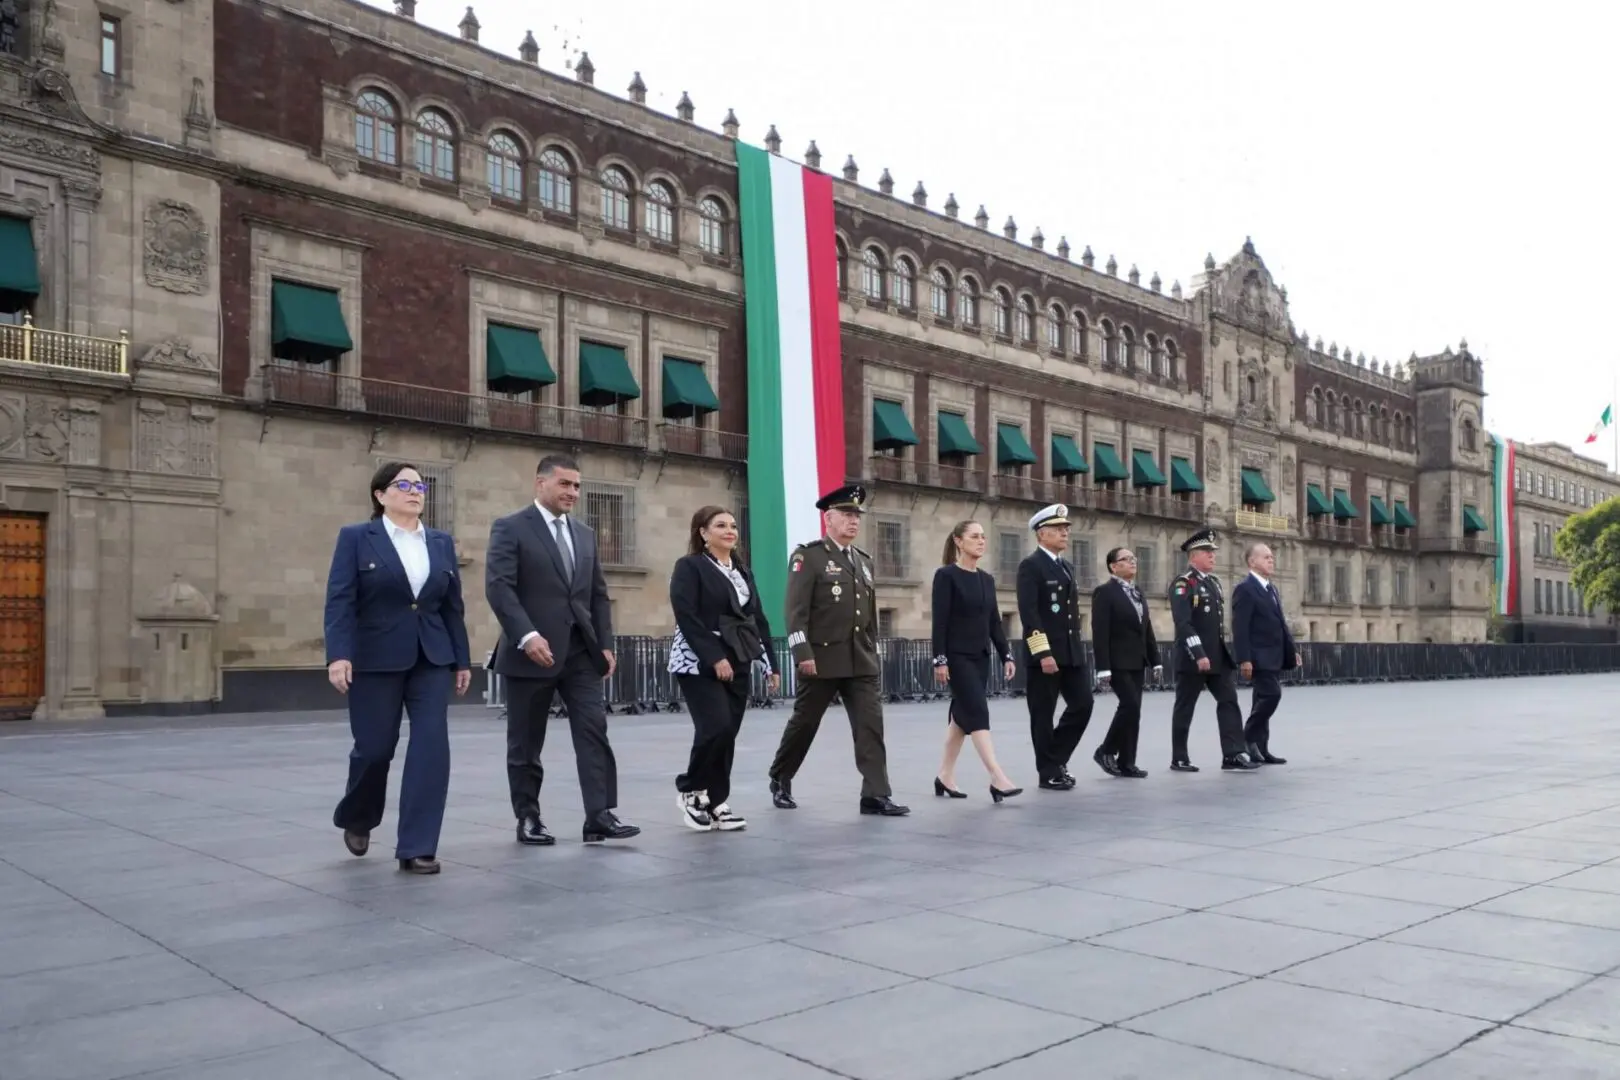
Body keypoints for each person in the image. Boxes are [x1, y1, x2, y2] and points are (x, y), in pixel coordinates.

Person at [324, 462, 471, 875]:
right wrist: (338, 654)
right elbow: (340, 600)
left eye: (419, 485)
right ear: (380, 495)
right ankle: (359, 814)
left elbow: (451, 606)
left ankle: (417, 846)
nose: (414, 491)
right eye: (403, 485)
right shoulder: (356, 538)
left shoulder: (440, 543)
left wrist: (461, 658)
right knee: (374, 749)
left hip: (431, 658)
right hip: (374, 658)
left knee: (431, 749)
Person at [485, 454, 640, 845]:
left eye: (576, 485)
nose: (572, 492)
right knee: (525, 742)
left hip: (579, 655)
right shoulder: (510, 528)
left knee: (594, 731)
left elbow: (598, 595)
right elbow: (499, 588)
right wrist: (526, 635)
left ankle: (599, 815)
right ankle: (529, 817)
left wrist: (605, 643)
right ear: (541, 483)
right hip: (529, 654)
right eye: (565, 484)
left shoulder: (585, 535)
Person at [767, 483, 909, 816]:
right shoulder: (810, 557)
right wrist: (803, 656)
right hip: (821, 659)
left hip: (860, 658)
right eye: (846, 514)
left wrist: (873, 651)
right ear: (828, 518)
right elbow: (795, 612)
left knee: (870, 726)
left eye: (857, 515)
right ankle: (780, 777)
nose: (853, 521)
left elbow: (869, 614)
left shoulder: (864, 561)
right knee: (805, 723)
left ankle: (875, 794)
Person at [668, 505, 780, 831]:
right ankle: (691, 789)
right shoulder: (689, 567)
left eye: (733, 526)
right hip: (697, 660)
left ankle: (716, 800)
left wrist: (769, 662)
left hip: (739, 657)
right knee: (714, 726)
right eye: (720, 525)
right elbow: (686, 615)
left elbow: (756, 618)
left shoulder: (743, 572)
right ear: (703, 533)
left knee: (728, 732)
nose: (730, 531)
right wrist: (714, 657)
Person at [930, 521, 1021, 802]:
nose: (981, 541)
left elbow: (994, 622)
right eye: (974, 536)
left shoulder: (986, 579)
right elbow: (940, 622)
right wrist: (940, 661)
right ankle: (997, 777)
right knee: (979, 713)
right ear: (958, 541)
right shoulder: (946, 576)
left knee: (960, 718)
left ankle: (944, 776)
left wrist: (1006, 653)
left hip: (980, 657)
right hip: (957, 659)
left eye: (983, 537)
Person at [1166, 527, 1259, 772]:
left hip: (1217, 657)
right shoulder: (1183, 584)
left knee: (1229, 700)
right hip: (1193, 658)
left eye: (1213, 552)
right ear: (1193, 555)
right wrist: (1198, 654)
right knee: (1185, 706)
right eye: (1207, 552)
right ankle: (1179, 757)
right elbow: (1183, 623)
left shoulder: (1214, 583)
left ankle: (1233, 753)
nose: (1212, 556)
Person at [1016, 504, 1094, 791]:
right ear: (1041, 533)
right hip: (1046, 655)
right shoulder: (1031, 565)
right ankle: (1048, 772)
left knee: (1084, 704)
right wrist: (1043, 652)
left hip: (1071, 652)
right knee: (1043, 714)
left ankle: (1056, 758)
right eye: (1059, 529)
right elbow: (1030, 613)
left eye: (1066, 528)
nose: (1065, 532)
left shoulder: (1066, 566)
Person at [1090, 547, 1161, 778]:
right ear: (1113, 566)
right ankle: (1106, 750)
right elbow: (1100, 632)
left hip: (1137, 660)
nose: (1133, 562)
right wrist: (1102, 668)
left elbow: (1146, 628)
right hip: (1117, 661)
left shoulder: (1138, 592)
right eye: (1126, 559)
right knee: (1129, 705)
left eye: (1134, 559)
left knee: (1135, 710)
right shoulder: (1105, 592)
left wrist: (1156, 660)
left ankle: (1127, 762)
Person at [1231, 542, 1302, 765]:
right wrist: (1244, 659)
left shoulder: (1271, 588)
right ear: (1252, 562)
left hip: (1274, 655)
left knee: (1260, 701)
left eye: (1272, 557)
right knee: (1272, 695)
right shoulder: (1245, 588)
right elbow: (1240, 627)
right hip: (1258, 657)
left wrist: (1291, 651)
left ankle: (1261, 748)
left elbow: (1280, 624)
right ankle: (1248, 737)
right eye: (1266, 557)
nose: (1271, 560)